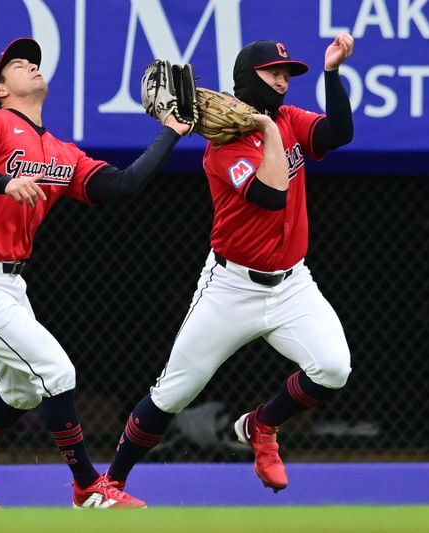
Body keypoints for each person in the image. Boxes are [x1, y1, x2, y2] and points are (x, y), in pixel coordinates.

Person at [0, 37, 190, 509]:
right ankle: (88, 485)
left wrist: (170, 131)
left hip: (8, 282)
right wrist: (5, 181)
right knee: (56, 371)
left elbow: (123, 185)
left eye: (32, 61)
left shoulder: (58, 151)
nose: (29, 65)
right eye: (16, 64)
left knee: (21, 390)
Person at [105, 33, 356, 495]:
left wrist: (332, 72)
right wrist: (269, 131)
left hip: (292, 284)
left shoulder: (287, 120)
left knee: (333, 368)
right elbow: (270, 196)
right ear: (247, 78)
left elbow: (339, 133)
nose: (282, 81)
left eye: (287, 74)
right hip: (231, 287)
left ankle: (261, 425)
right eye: (273, 73)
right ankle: (110, 482)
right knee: (174, 393)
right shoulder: (223, 147)